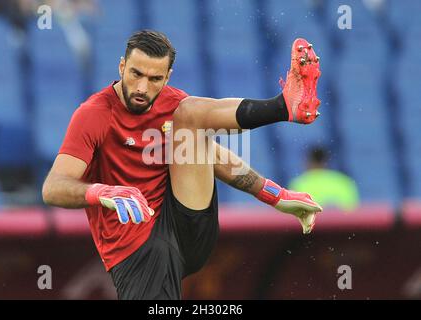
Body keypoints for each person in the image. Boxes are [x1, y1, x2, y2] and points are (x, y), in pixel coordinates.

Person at [42, 30, 323, 300]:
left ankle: (283, 107)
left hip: (187, 225)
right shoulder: (94, 114)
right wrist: (102, 193)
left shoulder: (174, 104)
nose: (142, 87)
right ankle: (283, 106)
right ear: (121, 66)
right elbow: (53, 188)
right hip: (135, 243)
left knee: (189, 112)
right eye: (136, 74)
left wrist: (275, 196)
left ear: (167, 77)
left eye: (155, 78)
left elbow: (211, 155)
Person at [288, 146, 360, 211]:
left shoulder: (298, 184)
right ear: (326, 161)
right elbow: (353, 212)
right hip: (340, 224)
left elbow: (292, 215)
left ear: (308, 162)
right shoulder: (344, 181)